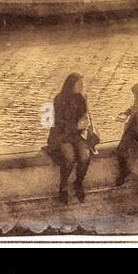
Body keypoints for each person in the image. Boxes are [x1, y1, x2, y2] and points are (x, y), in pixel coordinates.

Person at [45, 72, 96, 204]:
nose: (83, 86)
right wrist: (75, 126)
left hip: (78, 134)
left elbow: (86, 116)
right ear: (71, 85)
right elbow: (55, 121)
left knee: (85, 157)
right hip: (62, 134)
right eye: (80, 84)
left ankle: (78, 183)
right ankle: (63, 187)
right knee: (69, 158)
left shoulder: (83, 97)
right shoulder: (59, 99)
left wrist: (85, 123)